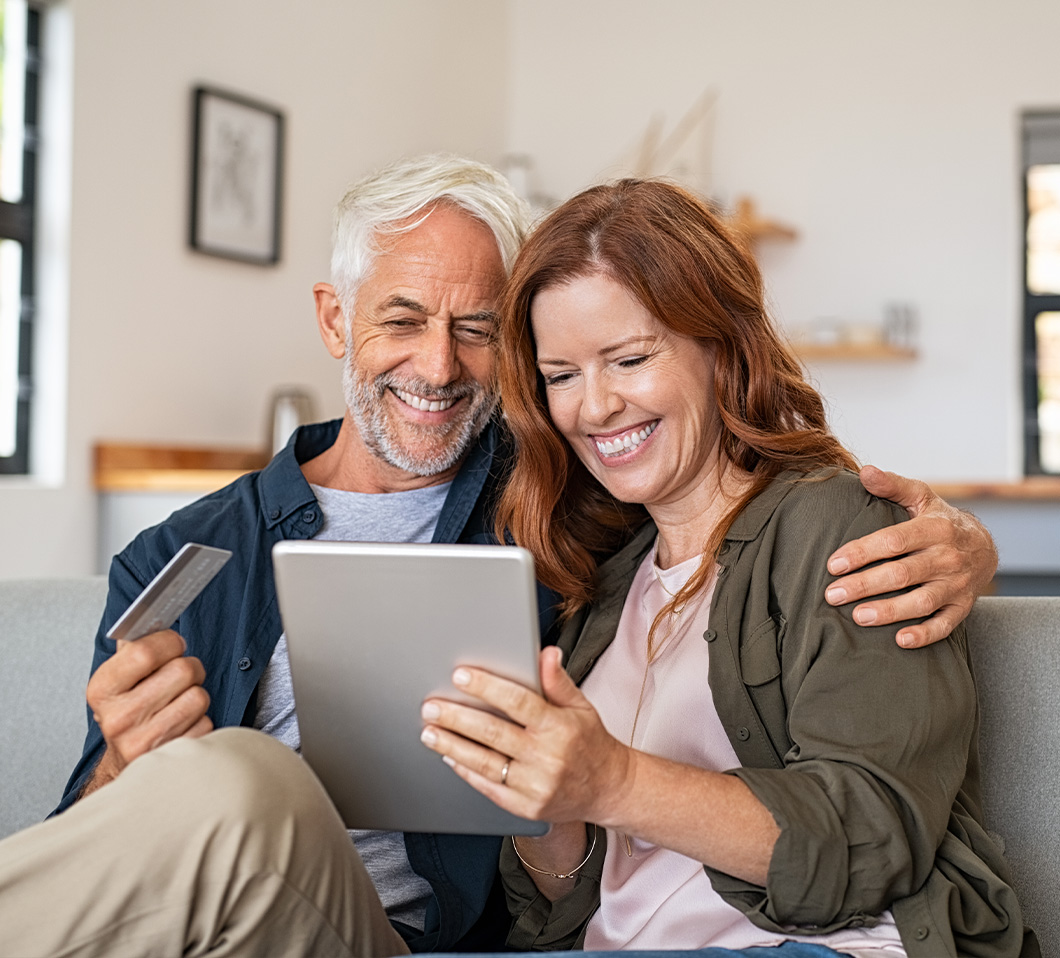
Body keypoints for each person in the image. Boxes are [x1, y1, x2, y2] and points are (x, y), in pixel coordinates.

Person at [0, 156, 998, 958]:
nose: (438, 367)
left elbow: (755, 512)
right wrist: (124, 767)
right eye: (400, 318)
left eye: (476, 329)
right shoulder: (181, 555)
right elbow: (94, 860)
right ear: (333, 319)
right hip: (198, 924)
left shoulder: (566, 505)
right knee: (210, 789)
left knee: (241, 781)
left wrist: (963, 545)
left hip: (387, 934)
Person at [418, 179, 1036, 957]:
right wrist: (550, 801)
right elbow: (557, 911)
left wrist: (612, 780)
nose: (595, 406)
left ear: (719, 346)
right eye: (562, 375)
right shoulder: (608, 575)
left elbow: (874, 838)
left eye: (630, 358)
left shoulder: (837, 525)